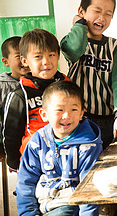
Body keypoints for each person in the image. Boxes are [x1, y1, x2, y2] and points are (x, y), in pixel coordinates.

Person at [16, 80, 102, 216]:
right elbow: (25, 181)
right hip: (44, 204)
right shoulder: (37, 141)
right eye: (59, 110)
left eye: (74, 109)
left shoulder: (88, 145)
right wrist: (29, 213)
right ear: (44, 114)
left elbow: (89, 188)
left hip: (70, 204)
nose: (66, 116)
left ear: (81, 114)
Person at [60, 0, 117, 148]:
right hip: (79, 119)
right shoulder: (70, 41)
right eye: (97, 11)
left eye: (108, 13)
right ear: (82, 11)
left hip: (109, 118)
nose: (102, 17)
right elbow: (75, 48)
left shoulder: (115, 47)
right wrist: (79, 24)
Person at [3, 29, 69, 172]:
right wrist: (16, 165)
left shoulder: (68, 86)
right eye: (38, 57)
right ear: (25, 61)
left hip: (69, 158)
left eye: (51, 55)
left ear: (58, 56)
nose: (46, 62)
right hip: (35, 163)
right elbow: (11, 135)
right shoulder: (20, 94)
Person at [1, 36, 29, 118]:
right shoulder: (2, 86)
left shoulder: (39, 82)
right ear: (6, 61)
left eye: (27, 55)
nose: (24, 60)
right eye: (18, 56)